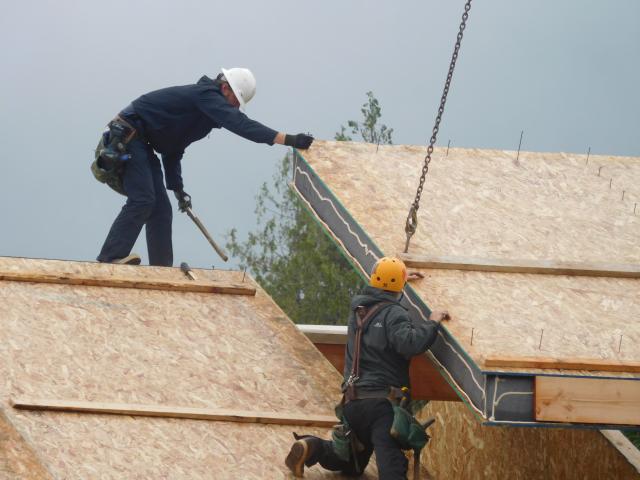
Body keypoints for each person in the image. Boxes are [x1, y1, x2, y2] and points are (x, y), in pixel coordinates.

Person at [92, 67, 314, 266]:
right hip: (127, 136)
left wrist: (177, 188)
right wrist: (288, 139)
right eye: (235, 102)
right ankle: (109, 257)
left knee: (161, 210)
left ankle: (161, 271)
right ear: (224, 87)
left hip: (143, 144)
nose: (235, 109)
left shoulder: (202, 119)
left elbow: (172, 150)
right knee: (144, 199)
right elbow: (240, 124)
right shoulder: (205, 95)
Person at [285, 257, 449, 479]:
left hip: (353, 402)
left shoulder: (359, 310)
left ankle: (312, 447)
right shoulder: (395, 313)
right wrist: (432, 322)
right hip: (381, 405)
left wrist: (396, 283)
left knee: (350, 461)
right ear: (398, 286)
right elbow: (409, 344)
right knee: (392, 464)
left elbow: (377, 295)